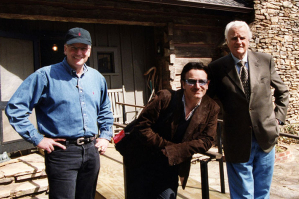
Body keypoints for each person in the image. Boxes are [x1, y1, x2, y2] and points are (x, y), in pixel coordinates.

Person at [5, 27, 114, 199]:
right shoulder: (45, 76)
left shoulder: (97, 78)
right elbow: (15, 108)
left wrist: (106, 135)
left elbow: (105, 110)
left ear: (90, 50)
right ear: (65, 49)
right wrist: (37, 138)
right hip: (63, 153)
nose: (79, 52)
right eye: (73, 47)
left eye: (83, 48)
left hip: (92, 152)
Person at [208, 20, 289, 199]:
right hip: (236, 140)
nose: (239, 42)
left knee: (262, 193)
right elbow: (208, 101)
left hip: (265, 139)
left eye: (242, 37)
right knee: (243, 195)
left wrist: (278, 120)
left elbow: (282, 91)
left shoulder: (265, 60)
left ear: (249, 39)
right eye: (234, 38)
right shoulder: (217, 68)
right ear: (227, 41)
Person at [119, 62, 220, 199]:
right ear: (183, 84)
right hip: (141, 161)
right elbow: (142, 127)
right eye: (191, 81)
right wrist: (168, 147)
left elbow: (207, 140)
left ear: (207, 84)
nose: (197, 86)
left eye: (201, 81)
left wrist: (176, 151)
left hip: (170, 166)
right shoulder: (165, 98)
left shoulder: (211, 108)